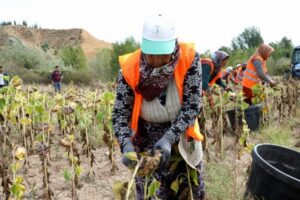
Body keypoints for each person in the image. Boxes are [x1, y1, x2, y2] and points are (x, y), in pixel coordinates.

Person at [112, 14, 205, 199]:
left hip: (181, 133)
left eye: (162, 54)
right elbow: (120, 114)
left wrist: (169, 137)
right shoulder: (130, 69)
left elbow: (193, 105)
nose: (155, 60)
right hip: (146, 137)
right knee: (150, 191)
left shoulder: (189, 59)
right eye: (151, 53)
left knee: (188, 188)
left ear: (172, 47)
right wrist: (125, 144)